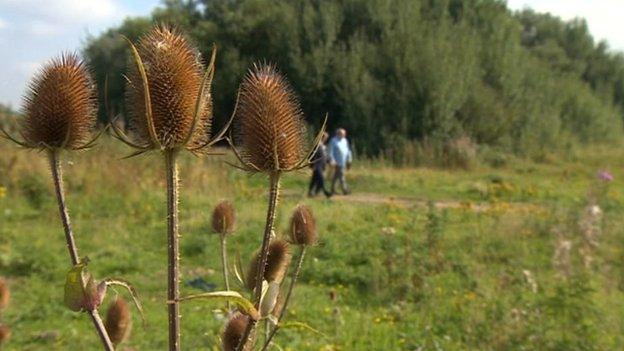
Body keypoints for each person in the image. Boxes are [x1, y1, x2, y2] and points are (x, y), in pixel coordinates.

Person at [328, 128, 352, 195]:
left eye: (344, 134)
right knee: (341, 176)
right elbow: (330, 151)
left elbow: (348, 151)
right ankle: (345, 190)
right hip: (337, 162)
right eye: (342, 134)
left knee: (336, 176)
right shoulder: (333, 141)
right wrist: (332, 160)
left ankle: (333, 190)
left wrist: (349, 160)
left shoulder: (345, 141)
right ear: (338, 133)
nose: (343, 135)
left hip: (343, 162)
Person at [308, 132, 331, 198]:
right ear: (322, 137)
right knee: (321, 179)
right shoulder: (317, 145)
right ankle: (325, 192)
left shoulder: (323, 146)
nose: (326, 139)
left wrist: (328, 161)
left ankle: (312, 192)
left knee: (314, 180)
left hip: (322, 166)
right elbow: (312, 156)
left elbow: (324, 156)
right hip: (317, 166)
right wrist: (312, 165)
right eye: (325, 137)